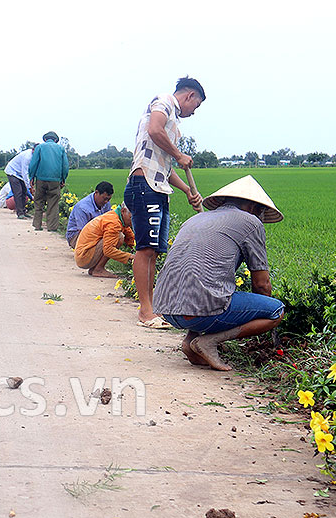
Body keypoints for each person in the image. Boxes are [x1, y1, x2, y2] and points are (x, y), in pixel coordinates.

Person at [154, 176, 285, 372]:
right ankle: (209, 341)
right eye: (261, 212)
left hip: (167, 308)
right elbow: (262, 284)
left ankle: (190, 342)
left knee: (205, 284)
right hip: (200, 313)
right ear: (254, 208)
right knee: (276, 310)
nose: (262, 217)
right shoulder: (251, 222)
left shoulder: (196, 219)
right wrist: (258, 319)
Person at [124, 77, 205, 328]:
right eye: (197, 106)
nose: (194, 112)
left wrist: (186, 191)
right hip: (144, 185)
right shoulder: (164, 102)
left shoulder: (174, 125)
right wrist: (179, 154)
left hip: (158, 186)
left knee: (155, 251)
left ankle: (152, 309)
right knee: (145, 249)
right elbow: (154, 130)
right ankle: (145, 312)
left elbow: (166, 167)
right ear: (189, 96)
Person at [74, 205, 135, 278]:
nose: (133, 222)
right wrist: (131, 257)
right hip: (84, 257)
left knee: (118, 236)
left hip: (84, 255)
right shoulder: (113, 222)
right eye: (131, 218)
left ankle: (95, 269)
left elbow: (131, 238)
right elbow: (108, 250)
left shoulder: (119, 218)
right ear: (123, 211)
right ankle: (98, 269)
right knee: (119, 237)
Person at [28, 131, 69, 232]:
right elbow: (65, 166)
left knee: (38, 201)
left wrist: (31, 177)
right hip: (55, 180)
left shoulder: (40, 147)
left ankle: (37, 225)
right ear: (55, 140)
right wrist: (63, 178)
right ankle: (52, 227)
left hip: (41, 179)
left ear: (45, 139)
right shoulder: (61, 149)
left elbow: (33, 164)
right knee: (53, 203)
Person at [66, 182, 114, 248]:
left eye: (108, 199)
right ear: (96, 192)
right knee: (104, 242)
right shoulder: (83, 207)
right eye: (104, 198)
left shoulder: (106, 203)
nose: (106, 202)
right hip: (77, 236)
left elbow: (109, 220)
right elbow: (83, 232)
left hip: (96, 232)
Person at [3, 147, 33, 220]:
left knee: (24, 192)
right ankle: (20, 213)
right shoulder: (27, 157)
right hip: (12, 172)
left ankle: (23, 211)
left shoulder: (35, 155)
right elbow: (25, 172)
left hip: (19, 174)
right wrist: (29, 186)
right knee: (18, 192)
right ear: (33, 150)